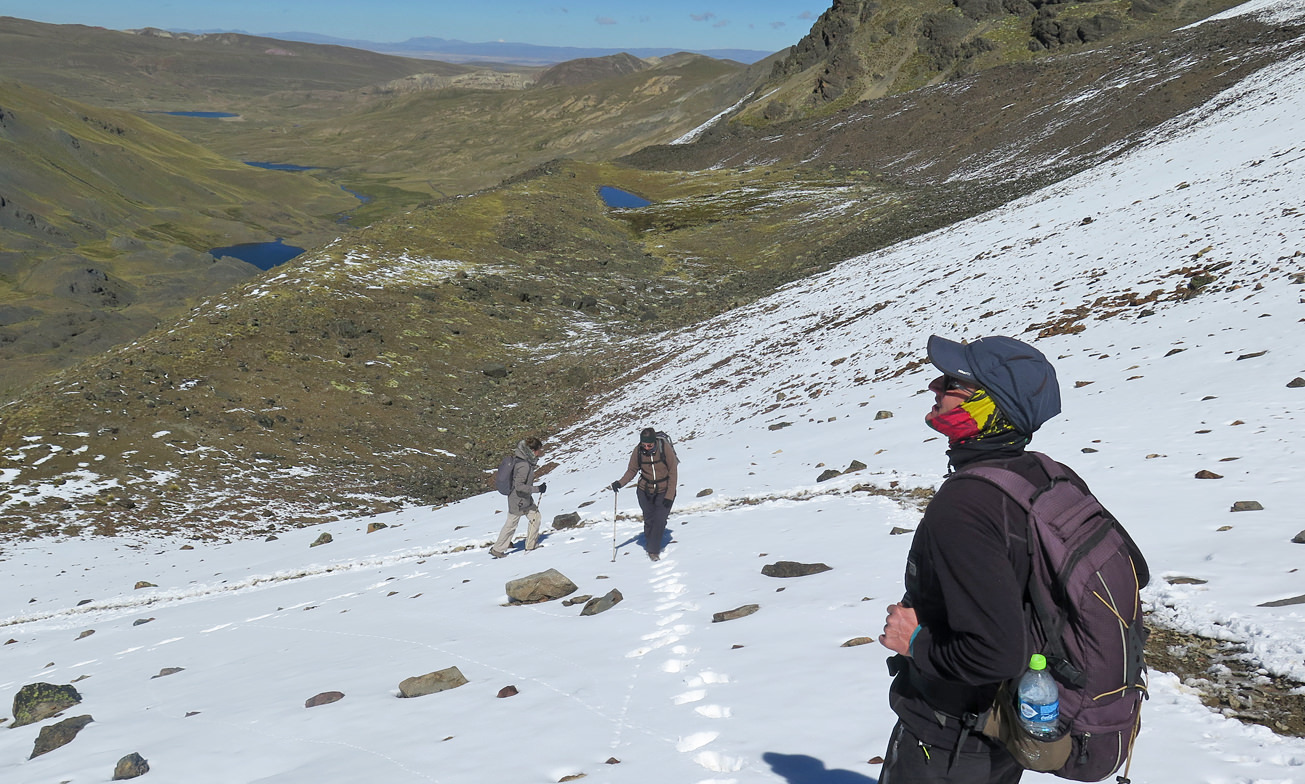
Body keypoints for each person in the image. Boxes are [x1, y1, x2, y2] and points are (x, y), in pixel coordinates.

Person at [876, 334, 1106, 783]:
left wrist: (914, 640)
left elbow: (995, 653)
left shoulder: (967, 504)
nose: (934, 388)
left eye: (952, 383)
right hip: (1001, 729)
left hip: (948, 741)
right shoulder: (1043, 474)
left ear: (988, 407)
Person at [610, 427, 678, 561]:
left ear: (654, 442)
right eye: (644, 444)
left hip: (664, 490)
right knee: (649, 519)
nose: (646, 447)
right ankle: (650, 540)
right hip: (644, 490)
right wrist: (620, 483)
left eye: (649, 445)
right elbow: (632, 470)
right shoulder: (638, 451)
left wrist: (669, 495)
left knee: (659, 520)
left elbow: (673, 472)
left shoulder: (664, 449)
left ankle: (653, 550)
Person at [490, 437, 546, 558]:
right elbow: (519, 486)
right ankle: (497, 549)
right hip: (518, 500)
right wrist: (538, 489)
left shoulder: (523, 461)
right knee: (511, 524)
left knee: (535, 517)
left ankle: (531, 545)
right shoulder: (524, 465)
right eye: (538, 450)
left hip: (523, 498)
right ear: (532, 450)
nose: (539, 453)